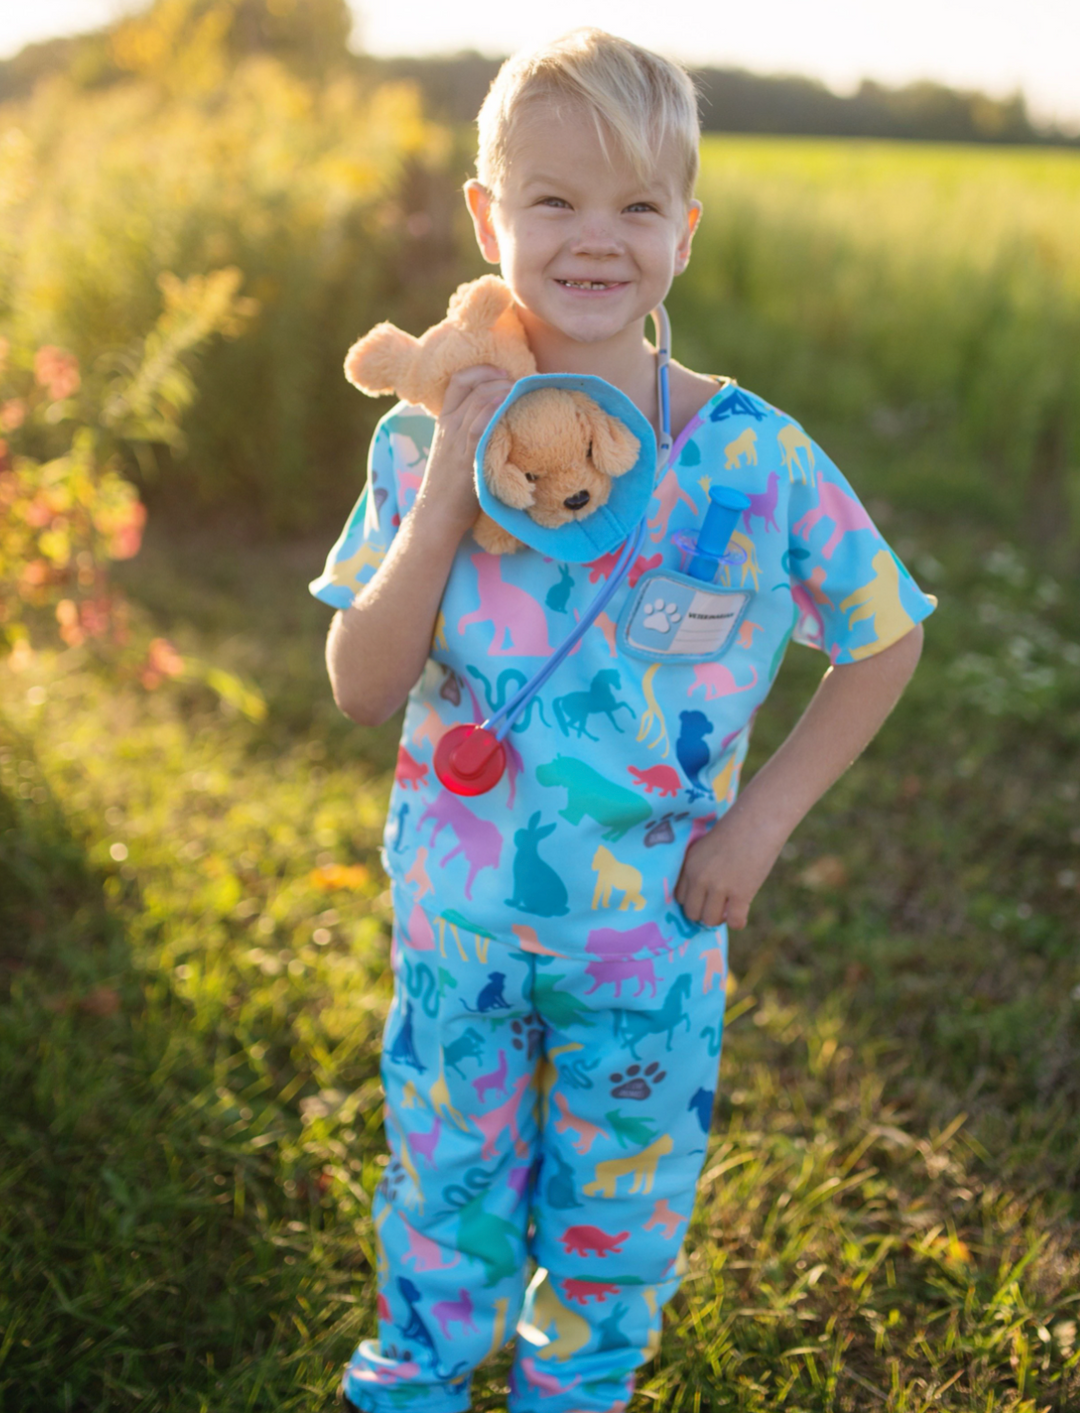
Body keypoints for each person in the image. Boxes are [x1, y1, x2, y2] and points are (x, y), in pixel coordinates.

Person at [312, 29, 934, 1413]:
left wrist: (760, 825)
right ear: (490, 221)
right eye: (555, 200)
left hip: (649, 936)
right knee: (444, 1179)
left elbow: (885, 633)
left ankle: (577, 1389)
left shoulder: (753, 458)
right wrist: (447, 494)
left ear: (685, 233)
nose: (597, 237)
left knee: (619, 1206)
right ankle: (416, 1377)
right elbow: (360, 684)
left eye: (638, 204)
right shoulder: (420, 438)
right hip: (459, 922)